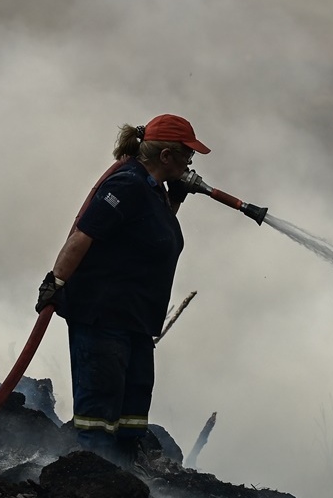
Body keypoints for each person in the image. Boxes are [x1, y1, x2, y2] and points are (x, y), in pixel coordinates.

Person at [35, 113, 210, 468]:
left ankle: (124, 475)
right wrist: (57, 282)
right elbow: (83, 235)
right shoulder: (127, 185)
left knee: (132, 412)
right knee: (99, 410)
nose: (191, 163)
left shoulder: (153, 190)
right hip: (103, 316)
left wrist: (175, 200)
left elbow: (148, 236)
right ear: (166, 157)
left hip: (136, 320)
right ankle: (88, 476)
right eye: (187, 154)